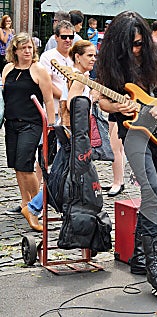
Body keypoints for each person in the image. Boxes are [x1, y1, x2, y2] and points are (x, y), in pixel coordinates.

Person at [96, 11, 157, 289]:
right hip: (133, 134)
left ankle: (140, 256)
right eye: (130, 46)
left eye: (139, 44)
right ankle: (152, 264)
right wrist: (117, 107)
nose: (136, 50)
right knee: (151, 189)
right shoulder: (112, 63)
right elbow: (103, 100)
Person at [21, 40, 97, 230]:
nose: (94, 59)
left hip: (71, 131)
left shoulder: (79, 76)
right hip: (73, 133)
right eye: (90, 55)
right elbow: (71, 104)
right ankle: (34, 207)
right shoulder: (78, 79)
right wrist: (91, 100)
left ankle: (46, 208)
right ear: (77, 57)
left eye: (95, 55)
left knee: (64, 175)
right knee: (62, 176)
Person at [2, 32, 55, 227]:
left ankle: (37, 206)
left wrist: (50, 126)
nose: (27, 51)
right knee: (17, 164)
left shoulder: (38, 69)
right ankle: (25, 203)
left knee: (26, 163)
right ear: (14, 50)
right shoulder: (8, 69)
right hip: (11, 122)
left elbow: (48, 99)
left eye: (30, 47)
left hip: (31, 123)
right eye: (23, 48)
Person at [40, 20, 74, 122]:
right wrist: (68, 99)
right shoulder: (47, 57)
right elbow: (48, 84)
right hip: (54, 110)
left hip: (74, 110)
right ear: (56, 37)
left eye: (71, 37)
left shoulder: (77, 56)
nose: (68, 40)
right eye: (64, 37)